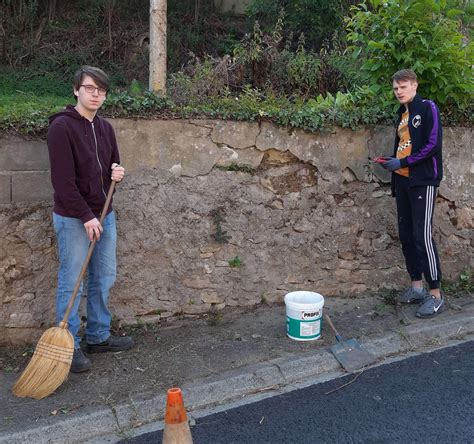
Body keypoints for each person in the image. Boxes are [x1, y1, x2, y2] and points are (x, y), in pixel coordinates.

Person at [47, 66, 134, 373]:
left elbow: (114, 164)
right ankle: (68, 347)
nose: (96, 94)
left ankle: (97, 336)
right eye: (90, 88)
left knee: (103, 278)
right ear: (76, 90)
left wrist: (117, 173)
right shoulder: (61, 128)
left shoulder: (105, 128)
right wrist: (85, 216)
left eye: (101, 90)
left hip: (104, 215)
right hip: (74, 219)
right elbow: (63, 182)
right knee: (72, 282)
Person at [380, 69, 444, 318]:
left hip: (423, 181)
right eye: (396, 88)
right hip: (404, 182)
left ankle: (436, 295)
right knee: (406, 234)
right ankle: (417, 287)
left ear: (415, 86)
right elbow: (404, 147)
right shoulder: (402, 114)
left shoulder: (428, 108)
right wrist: (393, 161)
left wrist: (403, 163)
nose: (399, 92)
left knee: (422, 236)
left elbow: (432, 145)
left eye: (403, 87)